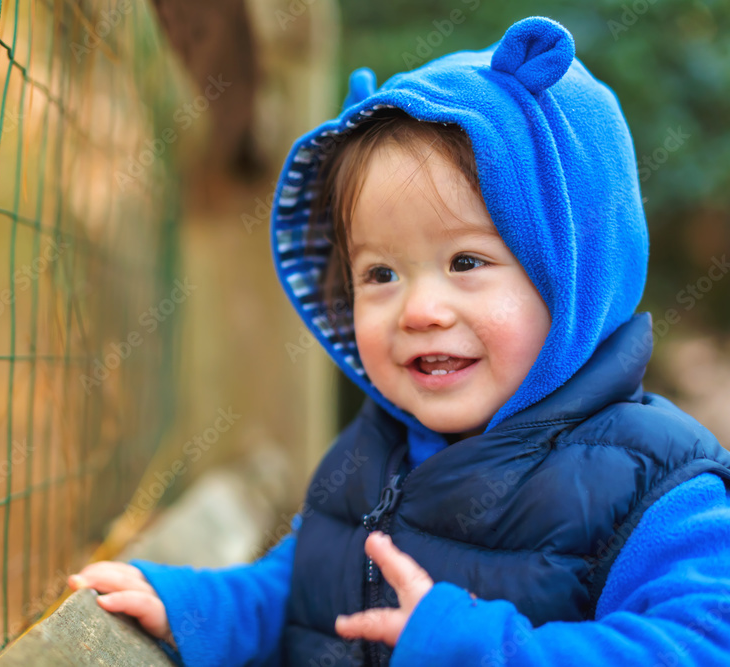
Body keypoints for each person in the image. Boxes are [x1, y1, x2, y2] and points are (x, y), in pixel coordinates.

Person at [69, 16, 730, 666]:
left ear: (575, 274)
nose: (419, 309)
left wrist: (478, 647)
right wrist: (195, 608)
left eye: (466, 262)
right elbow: (299, 587)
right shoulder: (377, 450)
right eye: (380, 273)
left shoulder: (657, 483)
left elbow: (702, 644)